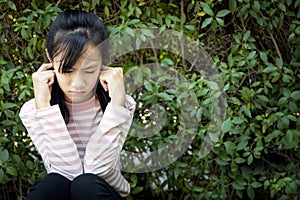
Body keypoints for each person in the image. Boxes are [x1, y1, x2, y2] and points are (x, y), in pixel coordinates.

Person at [19, 9, 136, 200]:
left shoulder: (121, 104)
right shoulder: (34, 110)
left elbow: (98, 170)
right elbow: (66, 171)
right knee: (53, 184)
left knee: (85, 185)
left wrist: (117, 105)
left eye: (89, 70)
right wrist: (44, 107)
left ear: (103, 63)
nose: (77, 84)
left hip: (100, 194)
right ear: (50, 59)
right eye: (67, 70)